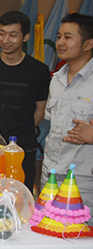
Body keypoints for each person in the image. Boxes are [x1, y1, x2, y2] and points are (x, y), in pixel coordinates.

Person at [0, 11, 51, 191]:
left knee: (20, 193)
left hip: (23, 145)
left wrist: (19, 131)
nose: (6, 40)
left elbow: (40, 111)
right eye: (2, 33)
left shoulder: (39, 70)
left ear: (26, 37)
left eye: (13, 35)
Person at [42, 13, 93, 217]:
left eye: (68, 37)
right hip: (50, 176)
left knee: (80, 234)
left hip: (83, 181)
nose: (60, 42)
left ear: (88, 44)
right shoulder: (56, 78)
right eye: (59, 36)